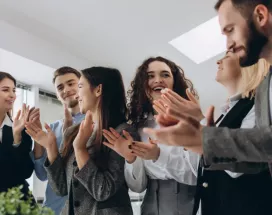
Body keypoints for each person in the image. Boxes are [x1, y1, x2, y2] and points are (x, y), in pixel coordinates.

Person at [143, 0, 272, 170]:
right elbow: (257, 161)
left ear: (261, 16)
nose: (228, 45)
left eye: (230, 30)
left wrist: (205, 138)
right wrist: (198, 141)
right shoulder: (265, 88)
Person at [26, 67, 133, 215]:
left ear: (98, 90)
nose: (76, 95)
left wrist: (80, 149)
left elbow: (103, 190)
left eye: (80, 86)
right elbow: (60, 188)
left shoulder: (123, 132)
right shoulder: (72, 132)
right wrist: (50, 147)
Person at [103, 56, 200, 215]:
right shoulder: (139, 128)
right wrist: (131, 159)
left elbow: (197, 174)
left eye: (165, 75)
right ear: (143, 86)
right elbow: (137, 187)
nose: (158, 80)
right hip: (149, 206)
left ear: (174, 83)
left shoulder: (190, 121)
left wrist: (158, 155)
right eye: (150, 76)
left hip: (187, 203)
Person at [191, 52, 271, 215]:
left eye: (228, 55)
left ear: (249, 64)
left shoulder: (257, 108)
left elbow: (242, 164)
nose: (218, 61)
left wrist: (200, 134)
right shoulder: (224, 114)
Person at [31, 67, 85, 214]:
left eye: (71, 83)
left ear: (82, 85)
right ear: (57, 94)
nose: (66, 90)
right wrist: (37, 139)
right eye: (60, 87)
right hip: (53, 209)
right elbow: (42, 175)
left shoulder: (95, 123)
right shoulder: (52, 128)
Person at [0, 71, 37, 199]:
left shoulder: (20, 130)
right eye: (5, 90)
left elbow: (26, 172)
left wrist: (16, 137)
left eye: (14, 90)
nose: (12, 95)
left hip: (19, 203)